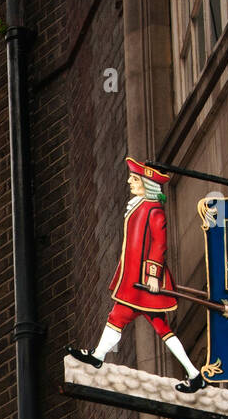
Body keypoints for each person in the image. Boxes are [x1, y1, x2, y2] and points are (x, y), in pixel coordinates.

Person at [68, 157, 205, 392]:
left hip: (144, 281)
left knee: (132, 320)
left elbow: (159, 244)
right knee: (132, 320)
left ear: (146, 184)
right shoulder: (139, 206)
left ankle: (194, 374)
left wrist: (153, 274)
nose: (129, 182)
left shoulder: (154, 211)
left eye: (134, 179)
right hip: (134, 279)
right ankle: (193, 374)